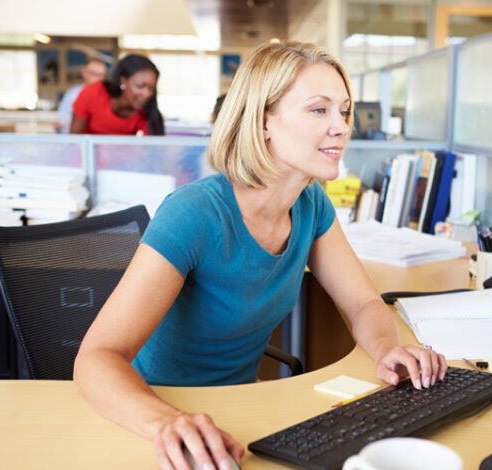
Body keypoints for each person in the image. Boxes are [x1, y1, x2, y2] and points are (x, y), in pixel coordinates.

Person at [74, 41, 446, 470]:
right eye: (319, 110)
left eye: (344, 111)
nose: (342, 127)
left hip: (239, 408)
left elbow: (362, 302)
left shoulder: (311, 206)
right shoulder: (194, 213)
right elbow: (97, 358)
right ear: (264, 121)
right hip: (157, 417)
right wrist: (166, 422)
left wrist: (387, 350)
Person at [70, 54, 164, 136]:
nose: (147, 94)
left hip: (123, 156)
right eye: (140, 86)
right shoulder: (93, 93)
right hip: (87, 155)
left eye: (151, 88)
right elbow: (73, 141)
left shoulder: (146, 111)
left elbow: (153, 150)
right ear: (122, 81)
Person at [55, 58, 107, 133]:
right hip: (78, 141)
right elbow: (60, 122)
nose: (100, 79)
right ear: (84, 73)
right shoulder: (72, 94)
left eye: (103, 75)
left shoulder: (108, 96)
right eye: (95, 74)